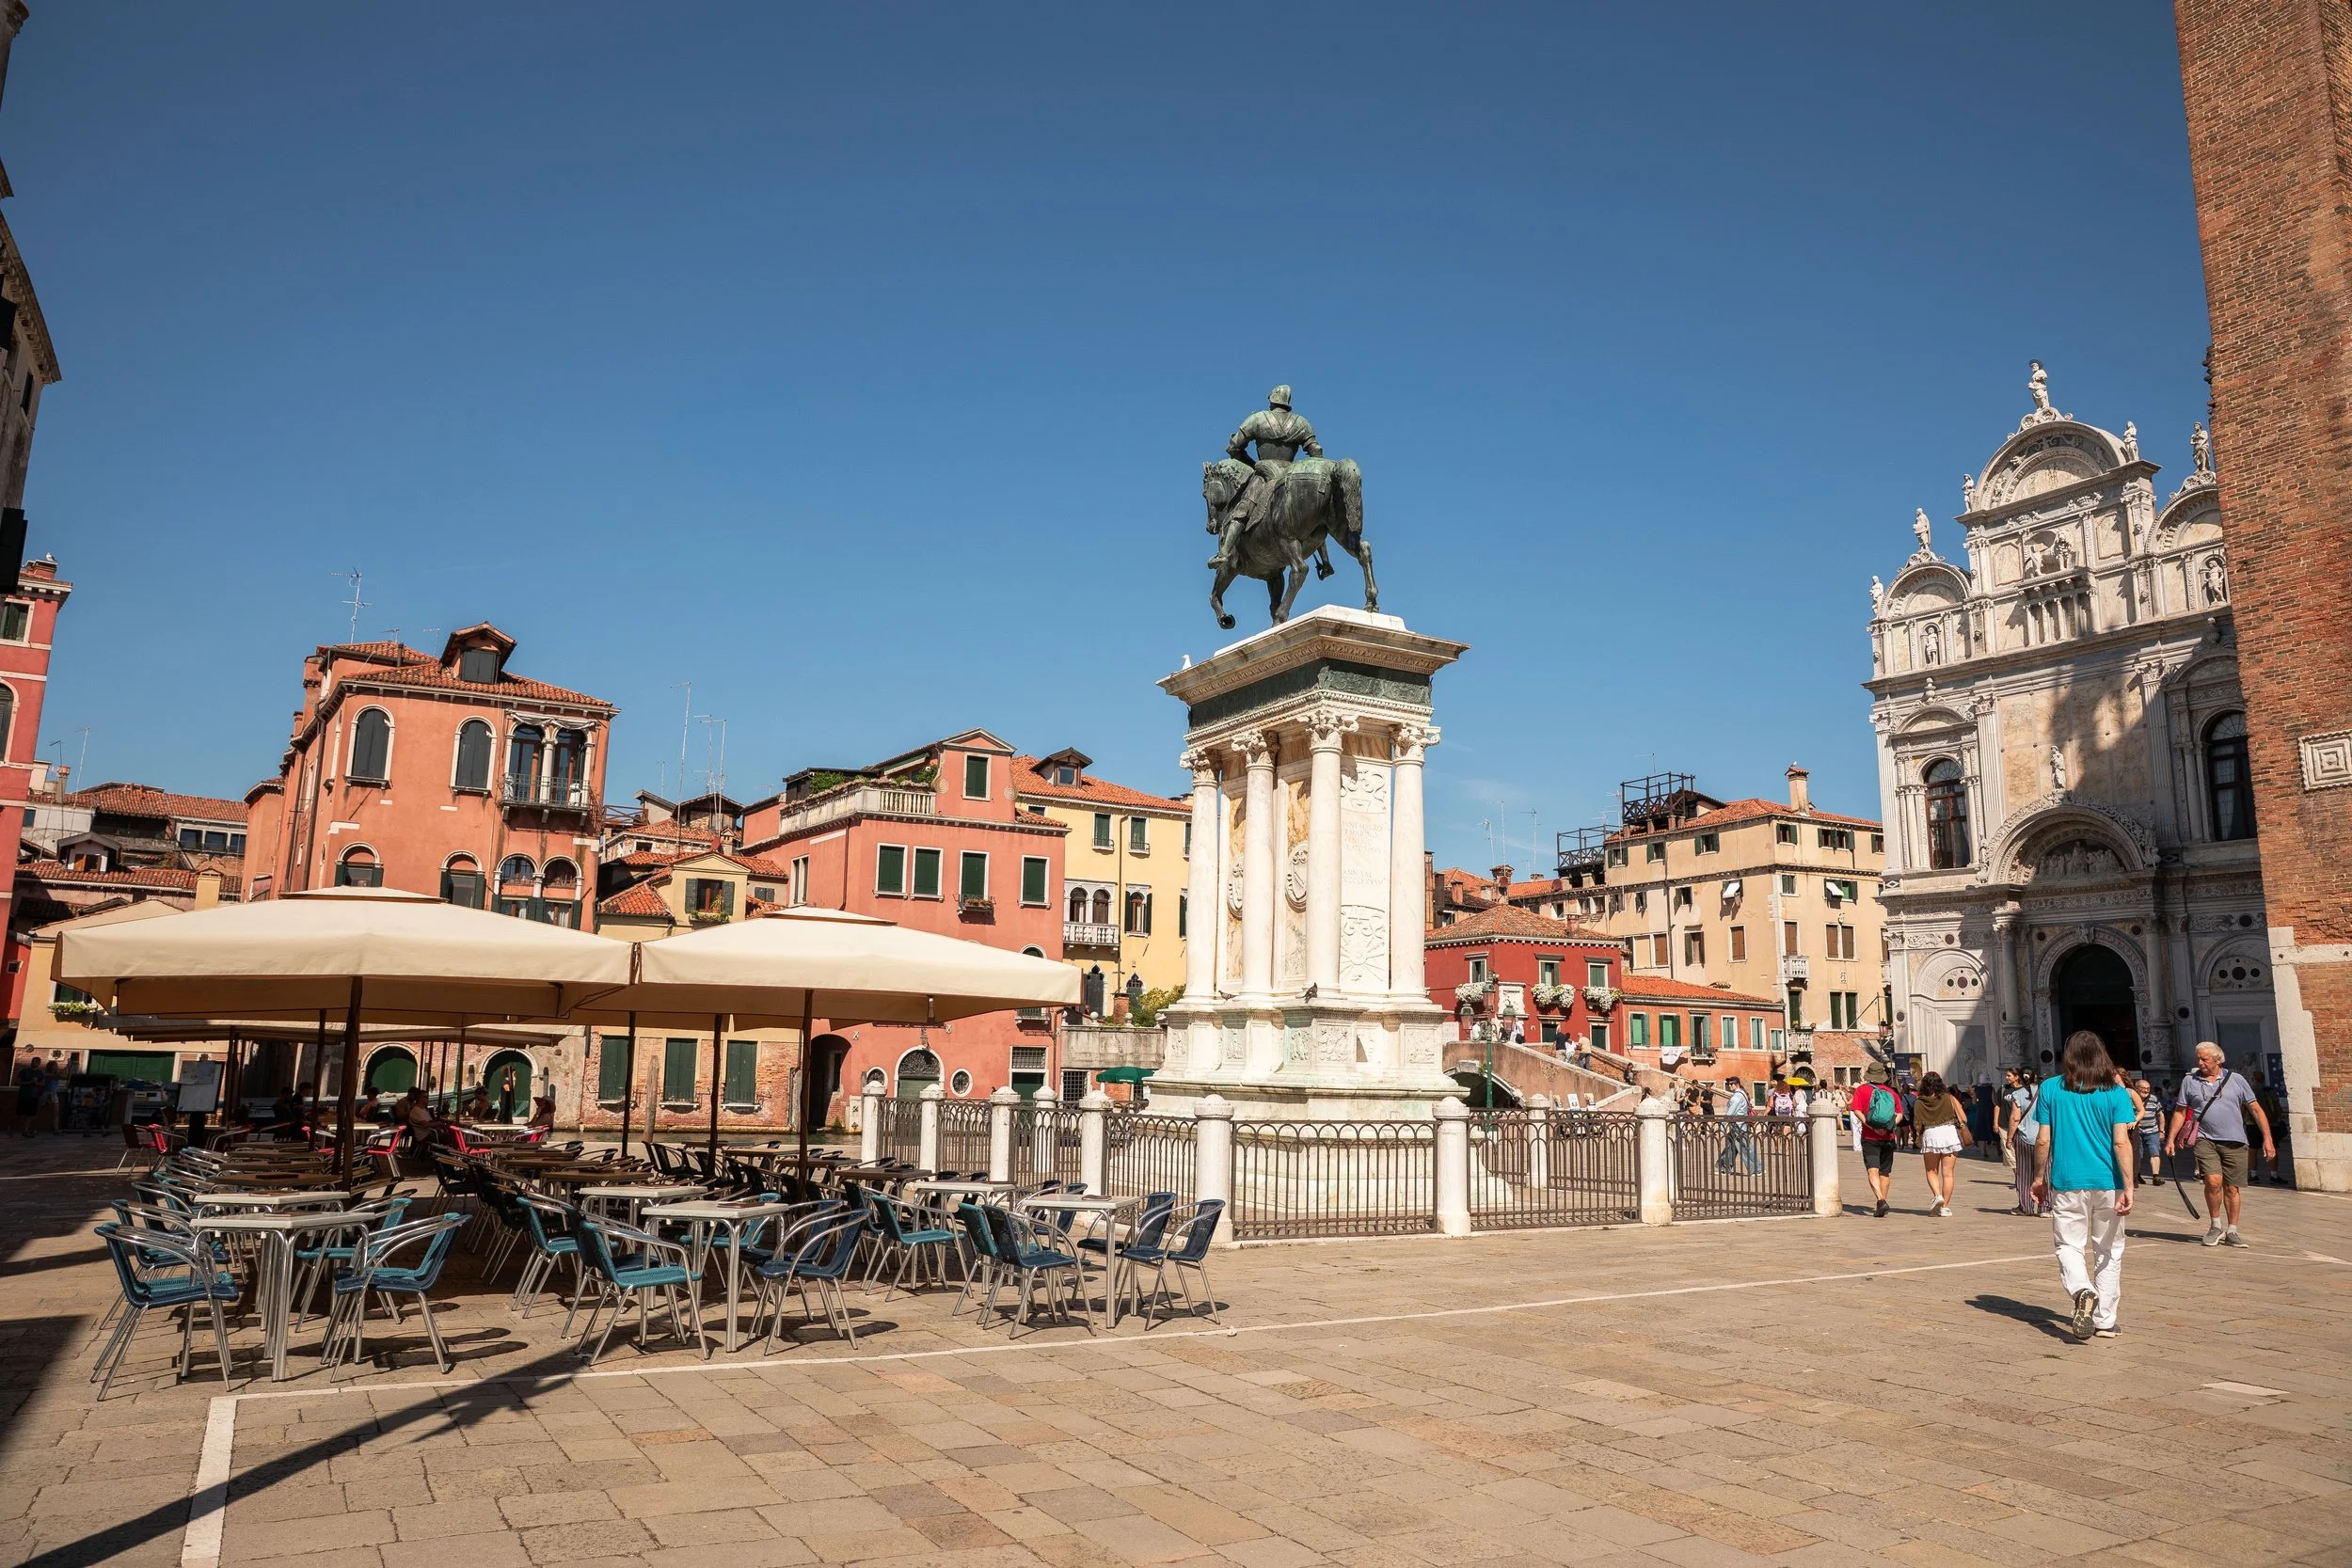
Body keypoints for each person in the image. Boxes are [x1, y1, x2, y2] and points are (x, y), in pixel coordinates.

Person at [2032, 1030, 2137, 1340]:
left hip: (2067, 1181)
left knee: (2068, 1244)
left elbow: (2043, 1139)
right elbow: (2121, 1142)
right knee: (2109, 1250)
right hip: (2109, 1182)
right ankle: (2105, 1320)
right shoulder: (2116, 1093)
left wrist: (2038, 1178)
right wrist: (2129, 1186)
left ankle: (2081, 1290)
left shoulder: (2051, 1088)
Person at [2168, 1040, 2273, 1246]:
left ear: (2218, 1060)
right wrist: (2170, 1138)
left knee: (2232, 1187)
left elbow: (2256, 1109)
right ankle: (2215, 1226)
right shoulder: (2190, 1081)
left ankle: (2232, 1230)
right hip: (2204, 1139)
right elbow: (2180, 1112)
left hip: (2235, 1140)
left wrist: (2267, 1139)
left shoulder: (2237, 1080)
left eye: (2204, 1059)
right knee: (2213, 1181)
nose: (2200, 1063)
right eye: (2198, 1059)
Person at [1850, 1063, 1904, 1217]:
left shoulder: (1861, 1090)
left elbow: (1857, 1111)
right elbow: (1899, 1115)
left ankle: (1881, 1200)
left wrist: (1872, 1126)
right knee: (1884, 1172)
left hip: (1870, 1137)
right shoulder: (1891, 1093)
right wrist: (1888, 1127)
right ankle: (1882, 1202)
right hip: (1888, 1137)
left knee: (1872, 1170)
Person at [1912, 1071, 1966, 1216]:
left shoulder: (1919, 1102)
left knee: (1931, 1171)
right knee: (1948, 1174)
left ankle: (1937, 1196)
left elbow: (1917, 1124)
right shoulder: (1949, 1098)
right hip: (1949, 1133)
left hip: (1931, 1134)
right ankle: (1945, 1207)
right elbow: (1963, 1118)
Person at [2004, 1068, 2045, 1215]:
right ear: (2036, 1077)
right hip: (2044, 1136)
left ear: (2020, 1077)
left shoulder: (2017, 1094)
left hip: (2024, 1138)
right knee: (2045, 1172)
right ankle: (2045, 1206)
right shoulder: (2045, 1092)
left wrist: (2009, 1138)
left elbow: (2015, 1118)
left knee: (2024, 1173)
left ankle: (2025, 1206)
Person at [1718, 1079, 1759, 1174]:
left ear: (1737, 1084)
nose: (1730, 1086)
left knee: (1745, 1147)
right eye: (1729, 1084)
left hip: (1737, 1125)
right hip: (1740, 1123)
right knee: (1731, 1146)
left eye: (1731, 1084)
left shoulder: (1736, 1097)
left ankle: (1757, 1169)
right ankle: (1724, 1167)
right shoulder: (1743, 1093)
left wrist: (1722, 1125)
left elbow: (1730, 1113)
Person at [2131, 1078, 2163, 1185]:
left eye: (2148, 1088)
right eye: (2143, 1088)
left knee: (2155, 1152)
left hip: (2152, 1130)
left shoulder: (2154, 1099)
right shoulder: (2131, 1098)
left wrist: (2162, 1130)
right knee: (2137, 1154)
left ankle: (2156, 1176)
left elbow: (2160, 1115)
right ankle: (2137, 1174)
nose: (2146, 1090)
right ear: (2137, 1088)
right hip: (2136, 1131)